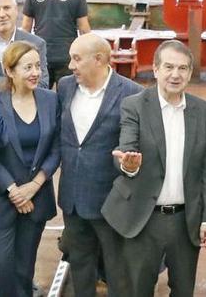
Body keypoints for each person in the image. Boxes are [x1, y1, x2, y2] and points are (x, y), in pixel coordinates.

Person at [102, 40, 206, 297]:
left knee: (184, 291)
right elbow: (126, 149)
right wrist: (128, 165)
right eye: (168, 67)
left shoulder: (204, 113)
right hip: (144, 218)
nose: (175, 75)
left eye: (182, 68)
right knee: (137, 290)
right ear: (155, 69)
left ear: (190, 72)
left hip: (185, 221)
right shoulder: (134, 106)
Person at [57, 33, 142, 297]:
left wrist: (130, 163)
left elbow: (135, 145)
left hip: (110, 201)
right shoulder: (64, 86)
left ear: (99, 59)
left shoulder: (131, 93)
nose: (71, 65)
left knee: (118, 271)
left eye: (76, 59)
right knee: (81, 268)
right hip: (72, 200)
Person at [0, 40, 60, 297]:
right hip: (2, 202)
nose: (35, 72)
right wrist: (13, 190)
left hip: (36, 200)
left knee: (24, 272)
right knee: (2, 270)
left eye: (38, 66)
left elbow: (56, 147)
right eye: (27, 67)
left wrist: (34, 186)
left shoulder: (51, 100)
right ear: (9, 70)